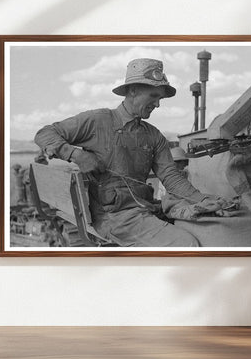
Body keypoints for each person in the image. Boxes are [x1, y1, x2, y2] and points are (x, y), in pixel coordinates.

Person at [34, 58, 234, 247]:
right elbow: (45, 134)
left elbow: (171, 177)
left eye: (160, 98)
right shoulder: (98, 121)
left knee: (209, 229)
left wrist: (202, 199)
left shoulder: (154, 136)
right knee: (186, 244)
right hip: (114, 218)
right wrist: (76, 155)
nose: (157, 104)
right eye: (153, 96)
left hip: (144, 209)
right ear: (133, 91)